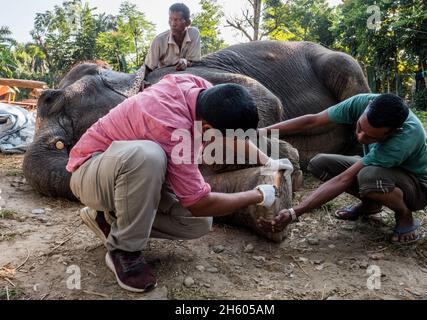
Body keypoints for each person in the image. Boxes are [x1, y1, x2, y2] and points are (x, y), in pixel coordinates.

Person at [67, 73, 292, 292]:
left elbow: (229, 139)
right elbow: (199, 202)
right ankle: (124, 250)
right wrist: (259, 195)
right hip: (90, 170)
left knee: (199, 222)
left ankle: (107, 218)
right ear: (206, 128)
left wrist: (268, 161)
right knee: (149, 155)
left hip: (127, 177)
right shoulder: (172, 127)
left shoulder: (200, 91)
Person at [258, 93, 427, 245]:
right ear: (368, 106)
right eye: (359, 127)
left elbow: (344, 179)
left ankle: (404, 214)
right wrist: (263, 131)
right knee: (319, 163)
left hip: (417, 188)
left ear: (394, 132)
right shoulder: (362, 102)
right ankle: (371, 204)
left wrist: (294, 212)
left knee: (369, 176)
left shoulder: (404, 139)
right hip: (379, 171)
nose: (360, 136)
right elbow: (312, 120)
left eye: (370, 136)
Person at [144, 3, 201, 77]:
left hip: (187, 75)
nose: (173, 24)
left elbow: (194, 60)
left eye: (177, 20)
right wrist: (143, 80)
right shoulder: (159, 40)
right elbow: (148, 67)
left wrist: (186, 61)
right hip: (163, 77)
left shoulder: (194, 33)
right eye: (170, 19)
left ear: (188, 23)